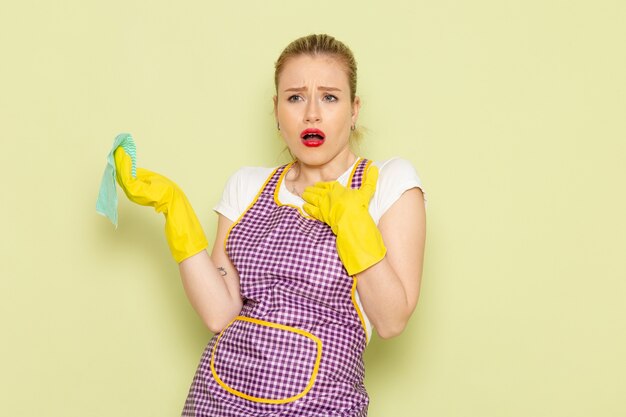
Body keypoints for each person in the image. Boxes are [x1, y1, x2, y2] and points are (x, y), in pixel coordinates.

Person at [113, 33, 426, 417]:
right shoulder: (247, 185)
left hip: (322, 406)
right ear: (277, 110)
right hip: (218, 400)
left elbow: (392, 319)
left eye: (329, 97)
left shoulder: (388, 183)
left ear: (354, 108)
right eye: (295, 97)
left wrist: (353, 224)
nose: (312, 113)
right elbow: (219, 313)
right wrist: (174, 209)